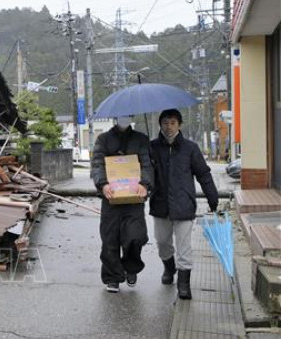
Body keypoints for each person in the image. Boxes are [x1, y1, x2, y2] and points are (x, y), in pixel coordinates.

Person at [149, 109, 219, 300]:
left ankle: (184, 285)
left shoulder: (190, 148)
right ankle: (169, 268)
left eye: (172, 122)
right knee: (163, 243)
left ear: (179, 125)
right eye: (165, 122)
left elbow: (203, 174)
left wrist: (213, 198)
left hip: (184, 204)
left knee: (184, 246)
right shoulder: (152, 147)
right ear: (160, 125)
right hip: (160, 204)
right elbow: (143, 173)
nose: (168, 126)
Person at [91, 115, 153, 293]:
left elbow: (147, 165)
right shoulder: (103, 139)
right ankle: (113, 277)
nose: (124, 119)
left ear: (132, 117)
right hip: (111, 198)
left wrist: (145, 184)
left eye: (128, 116)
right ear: (115, 117)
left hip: (134, 198)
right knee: (110, 238)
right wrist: (103, 184)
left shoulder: (141, 139)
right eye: (121, 116)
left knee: (136, 236)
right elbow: (97, 164)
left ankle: (130, 267)